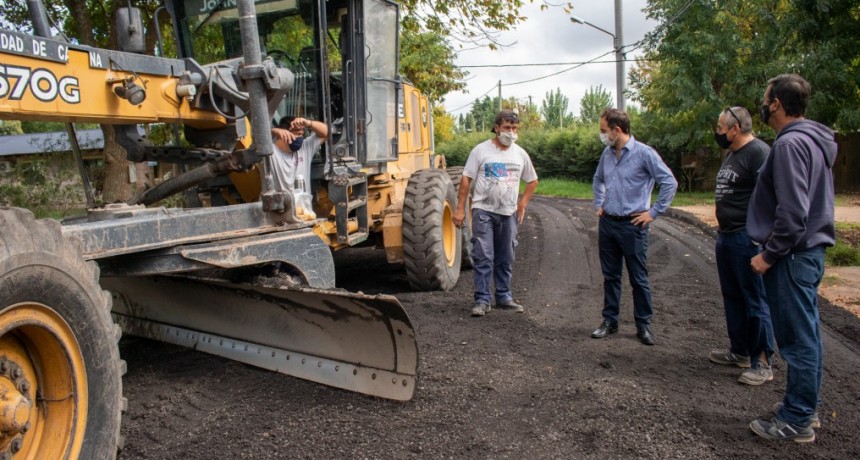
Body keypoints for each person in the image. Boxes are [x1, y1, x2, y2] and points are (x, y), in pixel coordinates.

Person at [747, 74, 837, 443]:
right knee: (807, 335)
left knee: (797, 340)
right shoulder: (813, 140)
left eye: (765, 98)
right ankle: (805, 409)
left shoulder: (789, 144)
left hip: (792, 256)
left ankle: (796, 420)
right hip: (808, 253)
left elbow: (793, 212)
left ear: (777, 104)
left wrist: (769, 256)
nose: (762, 104)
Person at [591, 108, 677, 345]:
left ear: (617, 130)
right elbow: (598, 179)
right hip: (608, 223)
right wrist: (599, 202)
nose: (601, 134)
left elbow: (669, 182)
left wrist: (653, 212)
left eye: (603, 130)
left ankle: (643, 325)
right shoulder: (607, 153)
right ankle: (610, 321)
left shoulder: (645, 154)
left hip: (633, 225)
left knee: (638, 278)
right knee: (610, 276)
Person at [708, 106, 775, 386]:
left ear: (735, 129)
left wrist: (763, 240)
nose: (717, 133)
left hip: (747, 238)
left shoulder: (759, 153)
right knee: (733, 296)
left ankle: (762, 363)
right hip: (726, 235)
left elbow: (770, 198)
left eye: (720, 128)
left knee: (755, 300)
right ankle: (740, 352)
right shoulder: (733, 154)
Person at [452, 110, 538, 317]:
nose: (511, 132)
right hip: (484, 211)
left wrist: (522, 204)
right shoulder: (481, 151)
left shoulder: (520, 154)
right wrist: (460, 208)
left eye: (514, 128)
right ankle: (482, 300)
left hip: (508, 213)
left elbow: (532, 180)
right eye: (507, 127)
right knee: (483, 255)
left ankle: (504, 297)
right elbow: (466, 178)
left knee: (506, 256)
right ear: (497, 128)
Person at [270, 116, 328, 195]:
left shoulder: (304, 148)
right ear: (283, 133)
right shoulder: (270, 152)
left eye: (302, 134)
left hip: (302, 203)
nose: (300, 138)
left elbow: (326, 133)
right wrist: (272, 131)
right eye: (298, 134)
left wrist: (308, 123)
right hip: (278, 203)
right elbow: (257, 142)